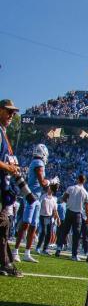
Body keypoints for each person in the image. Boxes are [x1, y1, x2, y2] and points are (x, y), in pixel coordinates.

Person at [13, 143, 53, 263]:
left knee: (34, 226)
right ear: (43, 153)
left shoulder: (36, 163)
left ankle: (27, 253)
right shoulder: (38, 163)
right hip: (32, 196)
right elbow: (42, 183)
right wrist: (52, 181)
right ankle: (15, 251)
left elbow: (43, 186)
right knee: (26, 223)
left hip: (37, 197)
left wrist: (48, 184)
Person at [0, 99, 23, 277]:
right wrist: (8, 167)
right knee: (3, 223)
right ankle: (6, 263)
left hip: (3, 187)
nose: (11, 115)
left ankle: (5, 262)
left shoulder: (3, 132)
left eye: (13, 113)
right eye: (8, 111)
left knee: (4, 224)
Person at [58, 174, 88, 259]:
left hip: (69, 211)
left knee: (65, 231)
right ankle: (74, 254)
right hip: (78, 214)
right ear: (84, 181)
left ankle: (59, 248)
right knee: (76, 235)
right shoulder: (85, 193)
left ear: (77, 180)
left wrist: (69, 202)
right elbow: (87, 207)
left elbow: (64, 198)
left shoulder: (70, 188)